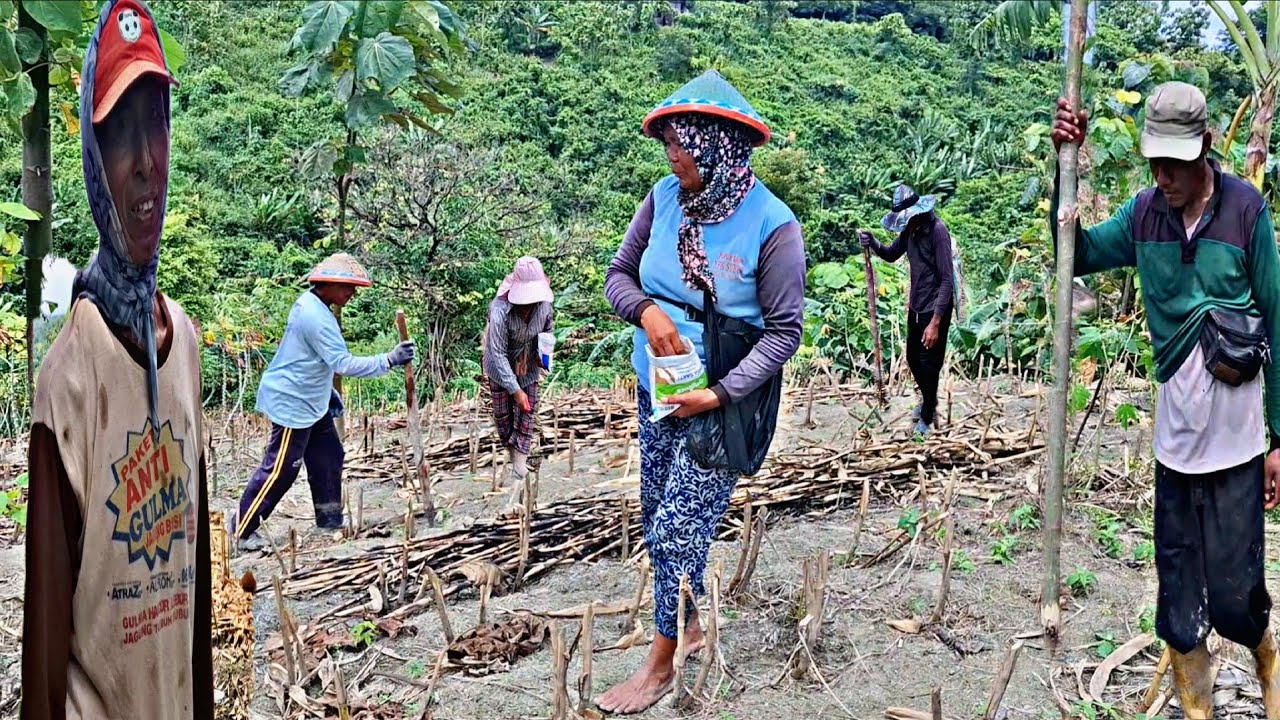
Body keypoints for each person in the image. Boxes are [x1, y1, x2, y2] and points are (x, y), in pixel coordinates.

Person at [1052, 81, 1280, 716]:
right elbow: (1076, 254)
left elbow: (1279, 322)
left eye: (1176, 161)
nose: (1164, 174)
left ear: (1205, 146)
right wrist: (1063, 171)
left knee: (1236, 598)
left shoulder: (1245, 214)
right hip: (1174, 446)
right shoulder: (1144, 213)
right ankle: (1198, 708)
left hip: (1237, 446)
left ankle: (1266, 659)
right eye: (1156, 161)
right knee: (1179, 606)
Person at [22, 1, 214, 717]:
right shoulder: (69, 379)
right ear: (94, 165)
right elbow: (43, 650)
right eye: (119, 134)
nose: (145, 161)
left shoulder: (186, 347)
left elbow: (191, 587)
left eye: (156, 123)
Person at [600, 69, 806, 714]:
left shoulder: (773, 225)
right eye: (667, 147)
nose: (672, 158)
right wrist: (647, 314)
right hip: (657, 389)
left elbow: (783, 334)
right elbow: (618, 276)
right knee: (656, 514)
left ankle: (659, 667)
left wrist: (717, 395)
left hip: (724, 404)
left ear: (717, 145)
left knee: (673, 534)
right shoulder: (664, 198)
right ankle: (685, 624)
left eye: (680, 146)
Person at [229, 253, 414, 551]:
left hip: (312, 400)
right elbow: (342, 363)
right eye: (348, 287)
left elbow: (308, 359)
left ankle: (329, 520)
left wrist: (328, 393)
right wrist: (389, 360)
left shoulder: (315, 305)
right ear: (326, 285)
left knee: (329, 455)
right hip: (294, 402)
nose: (352, 294)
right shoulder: (316, 317)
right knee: (280, 469)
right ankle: (241, 529)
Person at [858, 184, 960, 436]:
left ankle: (927, 414)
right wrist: (872, 243)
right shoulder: (910, 231)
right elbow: (892, 254)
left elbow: (947, 280)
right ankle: (928, 402)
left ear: (918, 213)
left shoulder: (938, 231)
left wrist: (935, 322)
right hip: (916, 305)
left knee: (930, 363)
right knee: (914, 358)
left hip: (936, 307)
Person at [482, 256, 554, 496]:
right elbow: (498, 352)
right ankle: (513, 455)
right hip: (499, 365)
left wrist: (542, 356)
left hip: (529, 365)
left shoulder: (544, 306)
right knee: (503, 415)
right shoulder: (500, 310)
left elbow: (548, 332)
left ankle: (520, 465)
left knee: (526, 413)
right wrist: (515, 390)